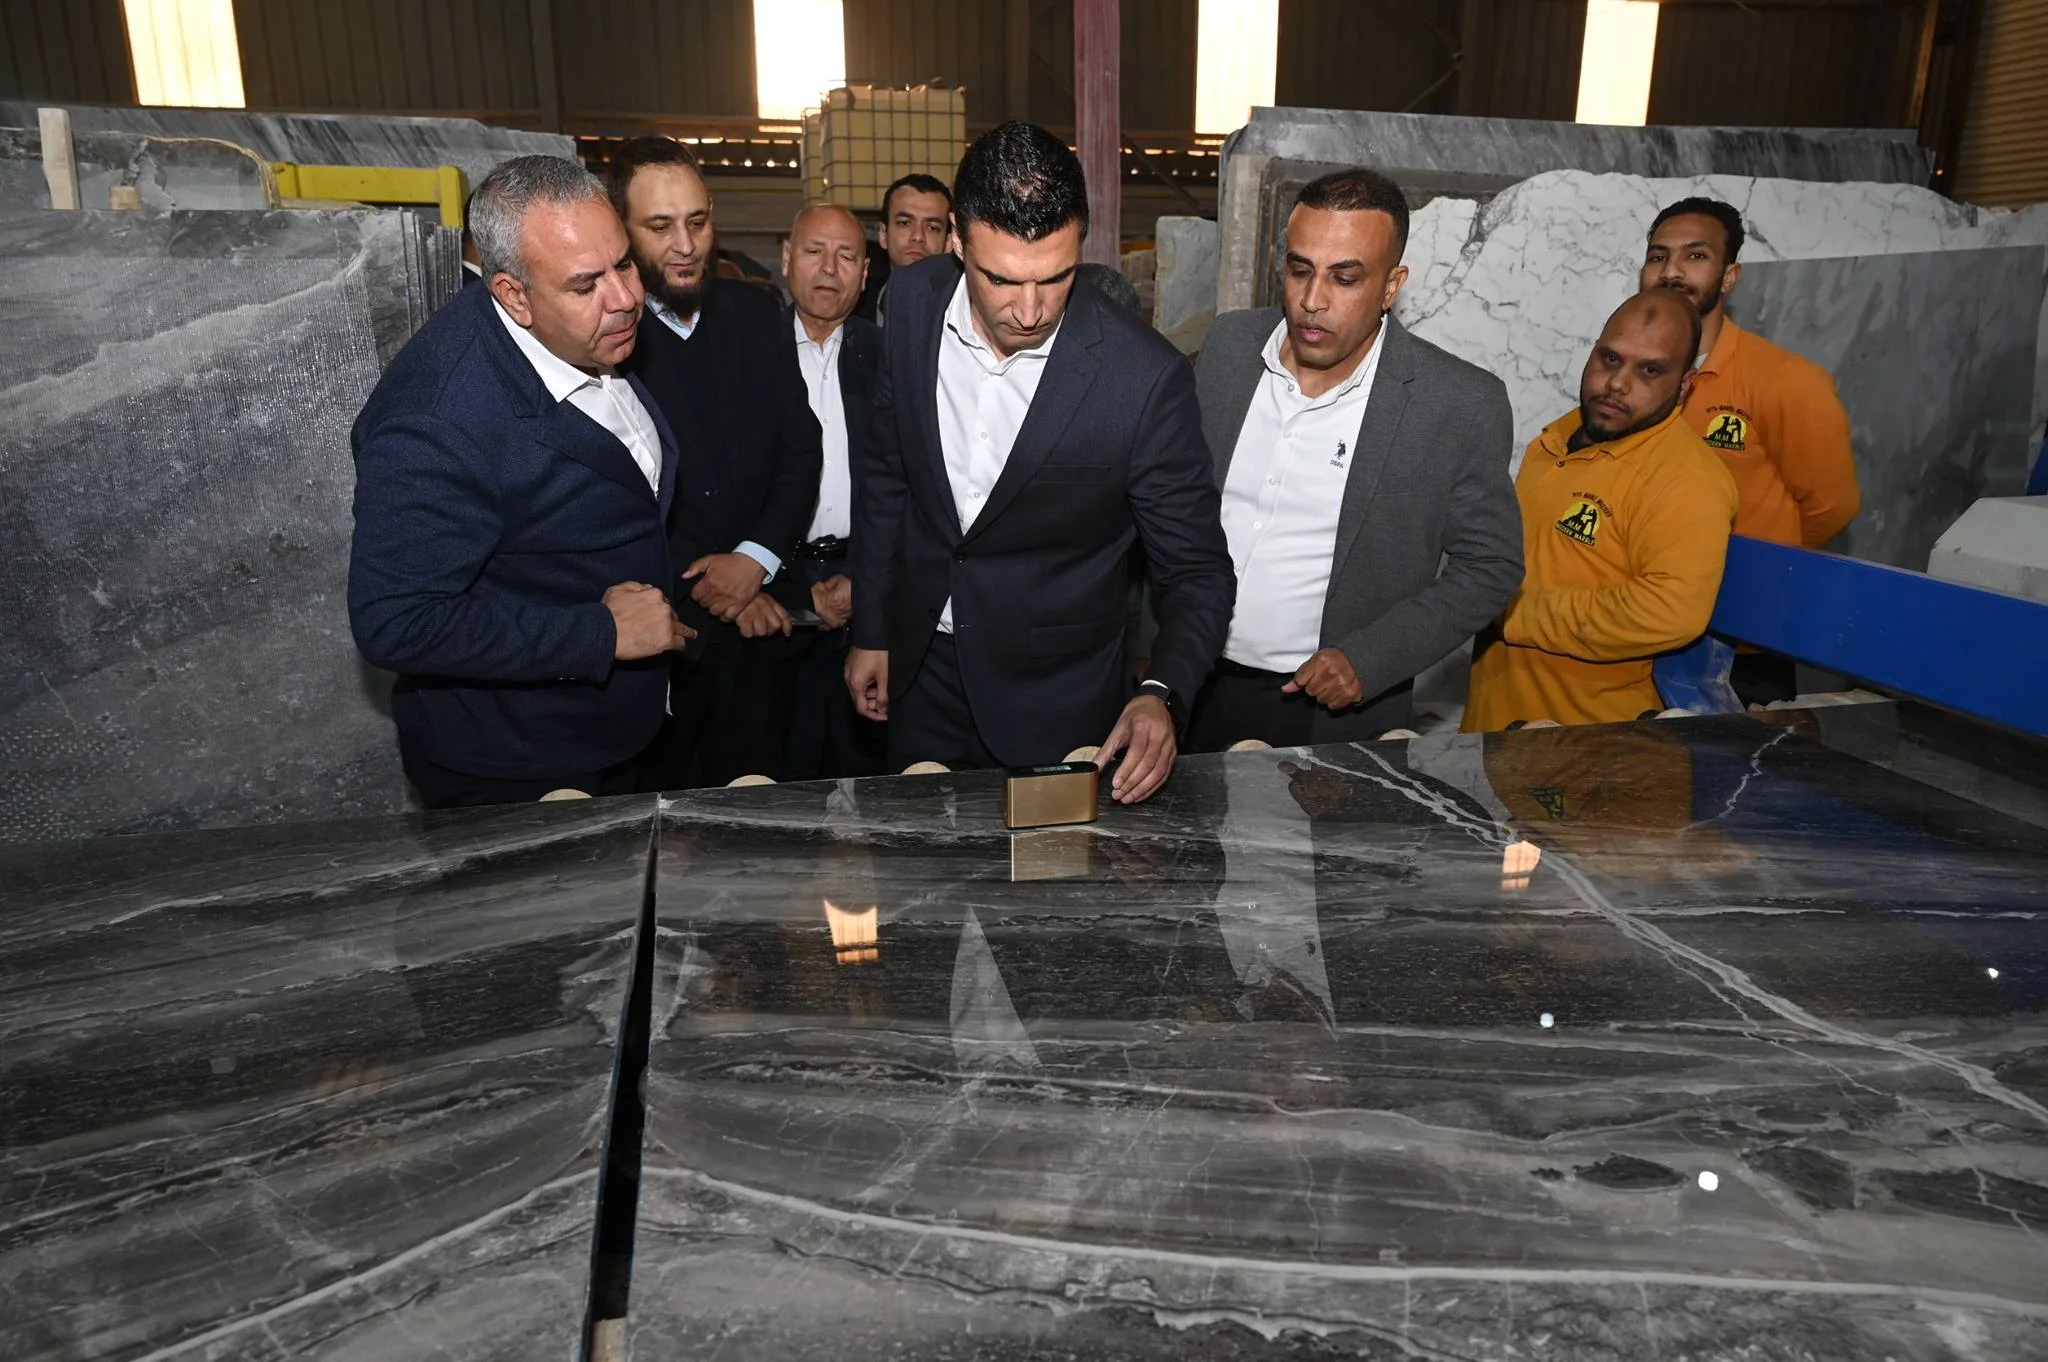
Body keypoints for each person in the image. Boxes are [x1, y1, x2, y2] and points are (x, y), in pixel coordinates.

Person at [846, 121, 1234, 804]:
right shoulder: (909, 304)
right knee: (915, 864)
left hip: (1058, 701)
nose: (1029, 311)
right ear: (957, 239)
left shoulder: (1143, 379)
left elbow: (1197, 570)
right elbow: (887, 477)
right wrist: (872, 628)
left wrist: (1161, 691)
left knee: (1044, 876)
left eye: (1055, 278)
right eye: (1001, 279)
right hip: (919, 670)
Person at [348, 155, 690, 807]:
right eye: (586, 285)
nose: (626, 299)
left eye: (624, 264)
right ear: (512, 295)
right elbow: (395, 621)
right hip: (522, 767)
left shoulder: (588, 336)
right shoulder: (435, 421)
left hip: (623, 732)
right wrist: (601, 633)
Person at [1189, 168, 1522, 748]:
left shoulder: (1458, 403)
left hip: (1327, 711)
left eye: (1344, 278)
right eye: (1299, 270)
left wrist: (1369, 659)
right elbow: (1173, 503)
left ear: (1392, 286)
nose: (1312, 301)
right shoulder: (1229, 346)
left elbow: (1490, 566)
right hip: (1188, 684)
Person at [607, 136, 824, 787]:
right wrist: (716, 590)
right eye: (660, 227)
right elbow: (612, 489)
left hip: (764, 636)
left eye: (697, 222)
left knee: (763, 821)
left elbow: (800, 451)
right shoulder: (605, 335)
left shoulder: (755, 313)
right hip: (659, 645)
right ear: (620, 230)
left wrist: (754, 562)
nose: (685, 245)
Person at [1465, 291, 1739, 732]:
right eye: (1610, 359)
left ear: (1685, 385)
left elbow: (1671, 612)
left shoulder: (1688, 479)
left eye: (1650, 370)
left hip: (1591, 746)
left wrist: (1513, 613)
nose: (1617, 384)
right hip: (1496, 729)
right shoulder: (1555, 440)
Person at [1641, 196, 1860, 704]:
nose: (1671, 271)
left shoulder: (1786, 381)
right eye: (1658, 256)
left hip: (1744, 644)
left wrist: (1748, 567)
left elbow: (1831, 506)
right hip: (1644, 628)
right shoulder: (1630, 375)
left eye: (1696, 256)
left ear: (1729, 276)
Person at [780, 203, 889, 779]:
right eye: (814, 251)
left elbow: (911, 490)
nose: (829, 268)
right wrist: (800, 591)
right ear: (786, 258)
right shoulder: (750, 352)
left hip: (869, 593)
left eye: (847, 256)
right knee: (776, 783)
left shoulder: (891, 357)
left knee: (870, 782)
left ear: (865, 274)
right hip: (772, 593)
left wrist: (862, 581)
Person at [857, 172, 952, 325]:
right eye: (904, 223)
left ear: (949, 243)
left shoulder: (968, 315)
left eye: (932, 227)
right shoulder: (854, 311)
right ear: (883, 234)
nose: (918, 236)